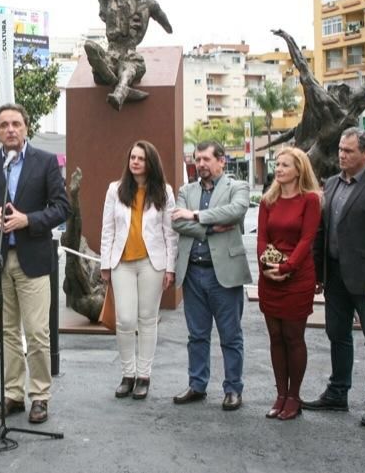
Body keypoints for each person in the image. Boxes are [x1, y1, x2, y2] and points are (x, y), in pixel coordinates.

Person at [0, 103, 70, 424]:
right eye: (3, 125)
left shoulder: (45, 162)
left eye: (16, 124)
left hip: (34, 259)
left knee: (38, 332)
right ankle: (12, 394)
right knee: (6, 333)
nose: (10, 130)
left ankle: (39, 395)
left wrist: (29, 220)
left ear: (26, 127)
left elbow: (61, 207)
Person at [303, 127, 365, 427]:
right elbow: (322, 231)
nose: (341, 155)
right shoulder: (332, 184)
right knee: (337, 335)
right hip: (335, 277)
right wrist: (319, 273)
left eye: (348, 151)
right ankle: (337, 392)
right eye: (341, 150)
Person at [170, 140, 251, 411]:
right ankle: (197, 385)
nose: (201, 164)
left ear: (221, 161)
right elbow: (176, 222)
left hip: (224, 274)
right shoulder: (185, 190)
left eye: (206, 159)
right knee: (197, 335)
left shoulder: (236, 187)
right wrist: (212, 227)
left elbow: (236, 211)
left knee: (230, 335)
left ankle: (233, 389)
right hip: (193, 273)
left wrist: (195, 215)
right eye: (197, 159)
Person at [100, 141, 177, 400]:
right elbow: (107, 228)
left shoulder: (164, 191)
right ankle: (127, 374)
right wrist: (105, 264)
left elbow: (170, 233)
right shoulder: (115, 189)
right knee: (125, 320)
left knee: (147, 319)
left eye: (141, 159)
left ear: (150, 163)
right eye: (132, 157)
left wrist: (170, 268)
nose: (135, 162)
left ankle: (144, 375)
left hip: (152, 263)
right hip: (121, 262)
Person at [256, 147, 322, 420]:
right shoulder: (267, 200)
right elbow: (261, 238)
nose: (279, 169)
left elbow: (307, 240)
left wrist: (287, 267)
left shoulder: (310, 200)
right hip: (270, 277)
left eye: (285, 165)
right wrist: (266, 266)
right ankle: (280, 394)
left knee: (293, 337)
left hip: (297, 277)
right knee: (275, 338)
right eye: (277, 164)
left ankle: (294, 396)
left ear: (299, 169)